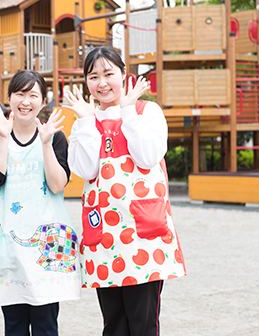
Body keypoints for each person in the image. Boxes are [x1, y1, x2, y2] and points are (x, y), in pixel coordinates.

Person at [64, 46, 186, 336]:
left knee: (143, 323)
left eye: (109, 74)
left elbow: (147, 157)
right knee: (114, 324)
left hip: (143, 238)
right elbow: (85, 169)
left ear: (124, 75)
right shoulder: (85, 120)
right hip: (104, 237)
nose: (102, 83)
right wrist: (84, 121)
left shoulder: (147, 111)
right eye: (93, 77)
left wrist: (129, 111)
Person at [0, 70, 81, 336]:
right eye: (20, 93)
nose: (25, 101)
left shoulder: (55, 137)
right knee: (15, 326)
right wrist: (5, 138)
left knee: (45, 325)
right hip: (8, 246)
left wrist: (45, 144)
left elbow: (57, 185)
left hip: (47, 249)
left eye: (33, 95)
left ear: (43, 102)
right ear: (9, 98)